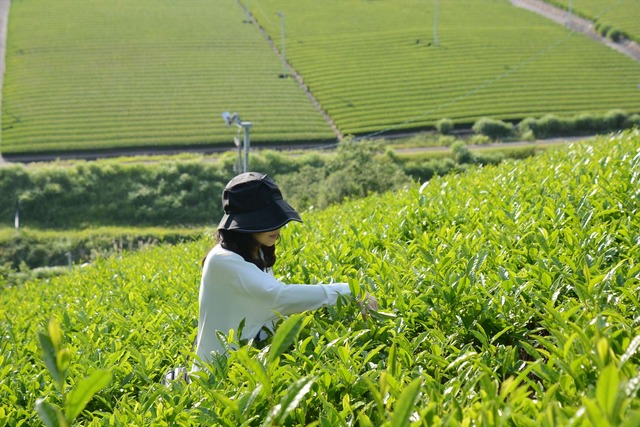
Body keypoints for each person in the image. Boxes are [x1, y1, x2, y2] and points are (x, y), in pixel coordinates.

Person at [193, 172, 377, 368]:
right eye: (266, 220)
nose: (278, 226)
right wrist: (351, 291)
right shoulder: (223, 260)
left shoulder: (254, 251)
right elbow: (278, 296)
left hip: (247, 364)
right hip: (217, 376)